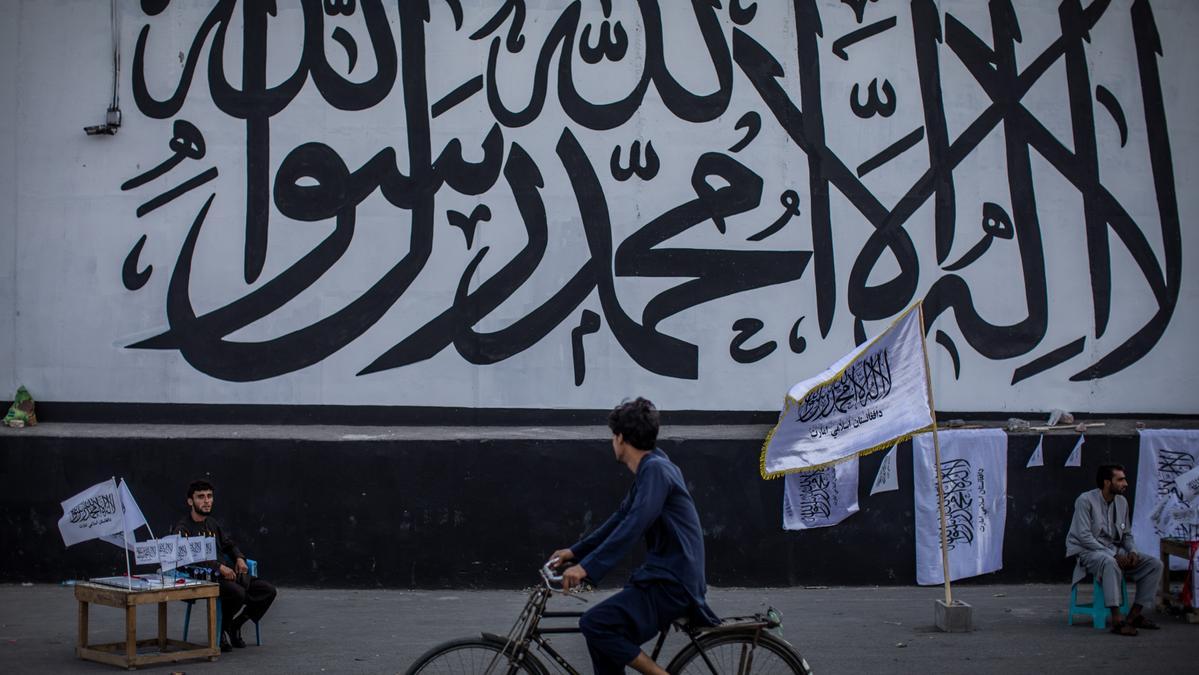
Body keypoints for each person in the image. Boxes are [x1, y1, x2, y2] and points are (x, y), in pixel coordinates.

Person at [550, 397, 719, 675]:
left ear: (620, 438)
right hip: (667, 577)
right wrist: (574, 552)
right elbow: (620, 520)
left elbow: (634, 525)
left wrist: (587, 568)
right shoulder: (654, 468)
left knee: (595, 624)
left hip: (672, 583)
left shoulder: (655, 471)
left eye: (612, 436)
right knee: (604, 638)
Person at [174, 479, 277, 652]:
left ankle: (234, 625)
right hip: (205, 578)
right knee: (238, 592)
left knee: (268, 591)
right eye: (201, 497)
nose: (207, 501)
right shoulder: (183, 528)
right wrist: (219, 567)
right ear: (190, 501)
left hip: (228, 574)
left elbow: (229, 544)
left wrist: (239, 558)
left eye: (209, 496)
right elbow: (189, 559)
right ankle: (220, 631)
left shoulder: (212, 523)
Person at [1066, 464, 1163, 636]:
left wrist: (1132, 551)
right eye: (1120, 479)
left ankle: (1134, 615)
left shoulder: (1122, 502)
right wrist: (1115, 555)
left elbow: (1126, 534)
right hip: (1087, 551)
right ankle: (1117, 620)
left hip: (1113, 550)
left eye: (1124, 479)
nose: (1125, 483)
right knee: (1110, 562)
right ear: (1107, 482)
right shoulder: (1085, 500)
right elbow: (1084, 537)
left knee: (1155, 564)